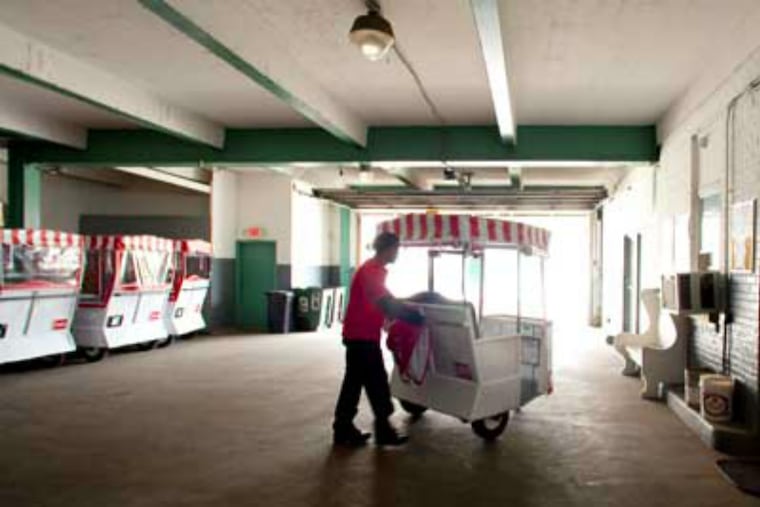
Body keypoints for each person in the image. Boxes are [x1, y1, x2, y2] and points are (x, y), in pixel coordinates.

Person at [333, 232, 424, 447]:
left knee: (353, 383)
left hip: (357, 335)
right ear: (388, 249)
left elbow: (386, 297)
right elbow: (385, 302)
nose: (397, 253)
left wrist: (402, 306)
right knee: (377, 382)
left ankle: (342, 429)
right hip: (362, 337)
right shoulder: (371, 271)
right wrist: (414, 317)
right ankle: (383, 431)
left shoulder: (374, 269)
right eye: (396, 249)